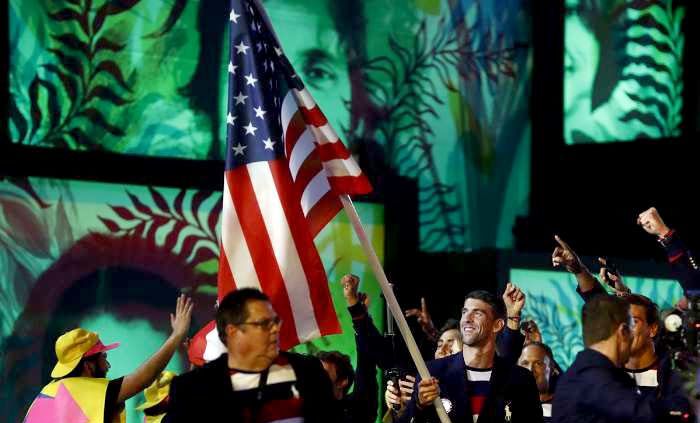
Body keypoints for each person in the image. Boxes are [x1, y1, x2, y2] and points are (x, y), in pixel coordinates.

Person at [164, 288, 339, 422]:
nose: (275, 329)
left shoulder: (309, 372)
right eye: (263, 323)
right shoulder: (191, 389)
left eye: (275, 321)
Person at [23, 294, 193, 423]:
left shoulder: (45, 394)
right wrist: (176, 336)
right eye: (103, 358)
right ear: (89, 365)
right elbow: (142, 379)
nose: (107, 366)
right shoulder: (83, 391)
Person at [401, 289, 543, 423]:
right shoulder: (432, 372)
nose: (467, 319)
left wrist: (513, 317)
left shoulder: (520, 380)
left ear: (497, 325)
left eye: (477, 313)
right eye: (465, 312)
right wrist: (419, 405)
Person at [553, 294, 688, 422]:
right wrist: (686, 403)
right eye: (632, 326)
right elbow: (640, 413)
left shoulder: (592, 371)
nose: (632, 336)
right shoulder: (591, 377)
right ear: (623, 331)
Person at [517, 342, 558, 422]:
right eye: (524, 363)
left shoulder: (566, 405)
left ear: (552, 368)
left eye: (538, 364)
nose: (530, 370)